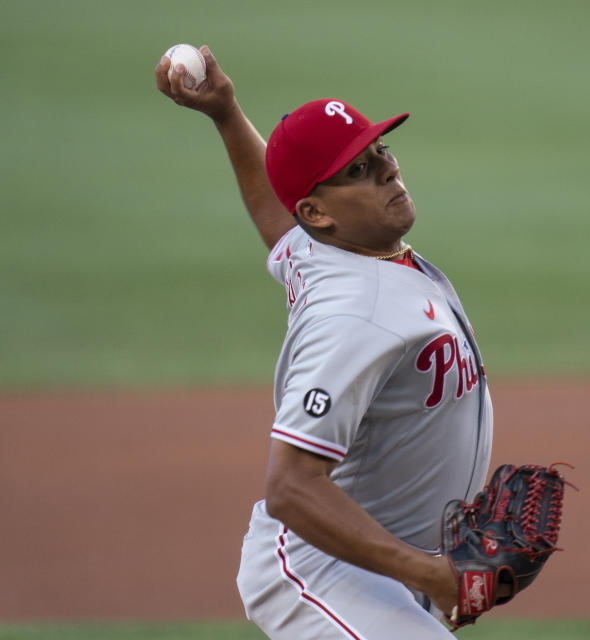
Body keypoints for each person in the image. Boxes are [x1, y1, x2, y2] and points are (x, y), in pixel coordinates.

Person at [155, 46, 493, 640]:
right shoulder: (352, 315)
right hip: (318, 570)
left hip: (377, 565)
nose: (387, 169)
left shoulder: (324, 247)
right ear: (320, 211)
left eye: (379, 151)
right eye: (357, 171)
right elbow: (289, 487)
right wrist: (434, 575)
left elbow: (279, 216)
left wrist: (227, 115)